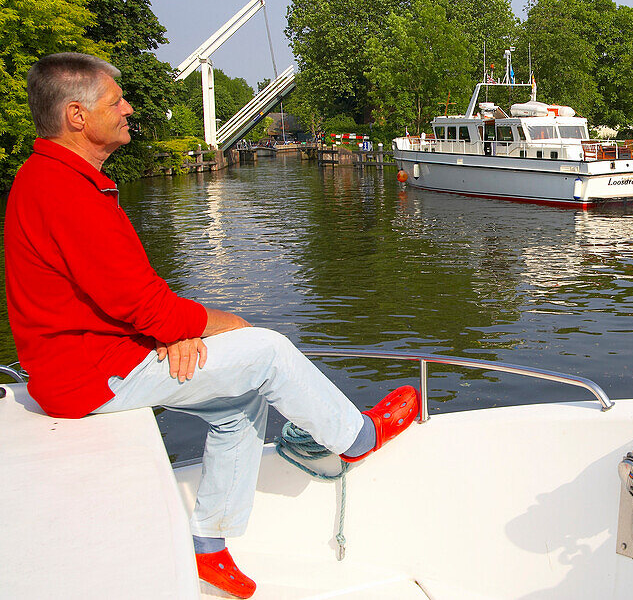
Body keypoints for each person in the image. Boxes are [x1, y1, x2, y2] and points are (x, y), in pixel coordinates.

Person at [3, 53, 419, 599]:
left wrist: (174, 331)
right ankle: (357, 438)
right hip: (91, 377)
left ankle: (209, 547)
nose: (129, 108)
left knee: (239, 403)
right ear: (77, 116)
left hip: (92, 362)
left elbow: (116, 299)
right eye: (116, 101)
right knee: (264, 350)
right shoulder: (65, 191)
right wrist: (216, 324)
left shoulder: (53, 179)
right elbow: (140, 303)